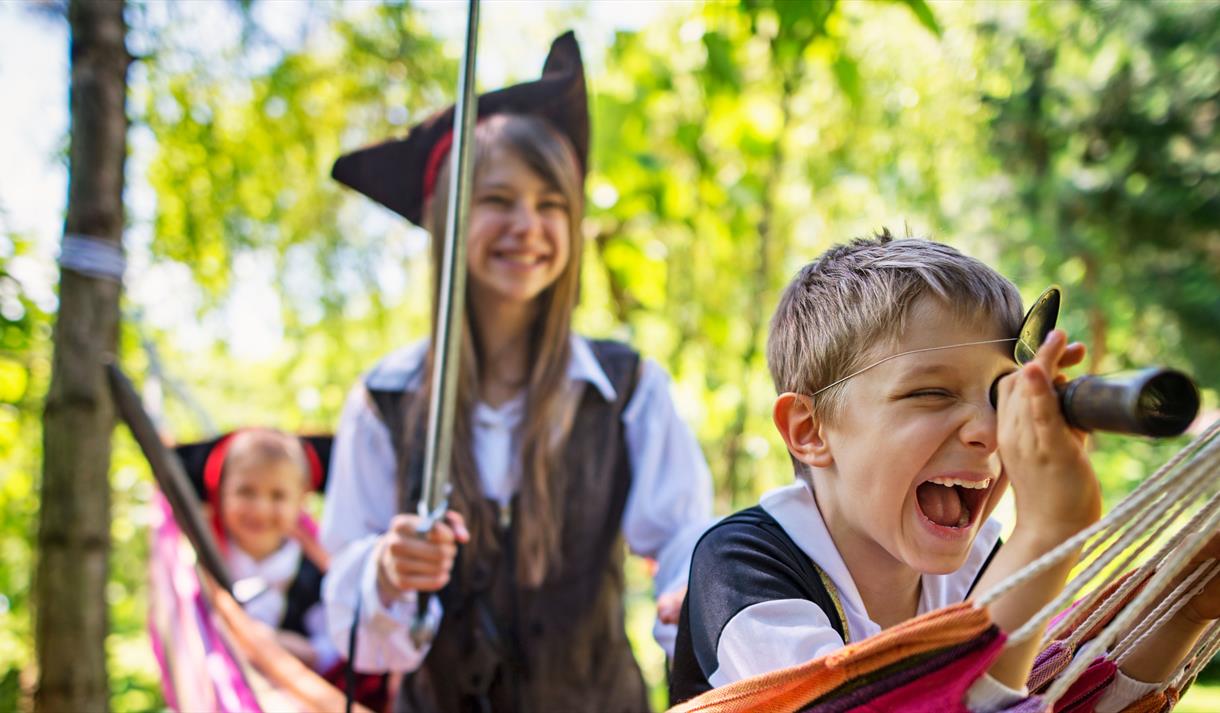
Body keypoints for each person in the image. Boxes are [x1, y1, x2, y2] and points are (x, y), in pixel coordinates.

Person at [320, 31, 713, 712]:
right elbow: (347, 612)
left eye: (551, 204)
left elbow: (684, 538)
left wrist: (692, 595)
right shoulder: (386, 399)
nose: (527, 224)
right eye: (498, 199)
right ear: (449, 217)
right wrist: (385, 574)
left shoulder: (627, 390)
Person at [669, 233, 1220, 711]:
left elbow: (1055, 700)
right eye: (930, 392)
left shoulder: (982, 568)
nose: (988, 429)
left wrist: (1187, 607)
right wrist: (1048, 531)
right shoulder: (741, 567)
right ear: (810, 431)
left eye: (1002, 396)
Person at [191, 428, 341, 674]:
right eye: (246, 492)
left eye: (278, 496)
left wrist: (307, 652)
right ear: (221, 491)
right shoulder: (203, 563)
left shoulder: (316, 572)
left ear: (301, 500)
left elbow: (336, 643)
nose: (260, 510)